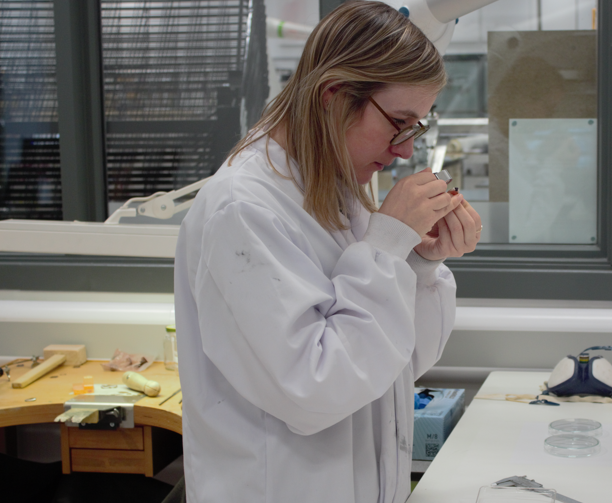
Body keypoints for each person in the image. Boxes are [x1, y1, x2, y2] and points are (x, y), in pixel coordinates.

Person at [173, 3, 481, 502]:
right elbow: (314, 390)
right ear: (333, 95)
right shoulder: (243, 209)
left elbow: (397, 363)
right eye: (398, 123)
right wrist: (385, 248)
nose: (405, 150)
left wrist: (418, 264)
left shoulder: (337, 191)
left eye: (416, 128)